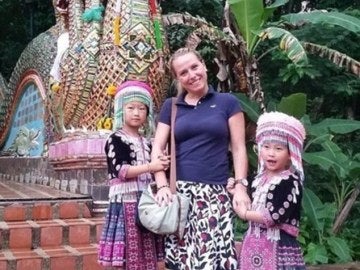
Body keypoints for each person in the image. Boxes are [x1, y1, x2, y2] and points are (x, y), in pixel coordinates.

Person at [151, 47, 250, 270]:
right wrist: (162, 185)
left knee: (214, 261)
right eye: (183, 72)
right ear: (177, 79)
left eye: (194, 67)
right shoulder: (172, 106)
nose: (192, 75)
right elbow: (157, 147)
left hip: (216, 195)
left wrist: (242, 186)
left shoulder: (228, 102)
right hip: (181, 196)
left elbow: (238, 147)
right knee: (183, 261)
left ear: (204, 65)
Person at [98, 80, 170, 269]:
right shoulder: (115, 139)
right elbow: (122, 171)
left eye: (142, 108)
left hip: (147, 201)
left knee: (147, 254)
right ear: (121, 110)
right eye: (131, 107)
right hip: (126, 202)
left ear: (148, 113)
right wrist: (152, 166)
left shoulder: (148, 142)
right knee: (127, 254)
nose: (137, 113)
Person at [227, 111, 307, 270]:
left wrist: (244, 214)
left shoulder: (289, 182)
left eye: (278, 148)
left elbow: (274, 216)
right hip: (253, 247)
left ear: (290, 154)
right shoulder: (257, 180)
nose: (271, 153)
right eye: (266, 146)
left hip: (279, 249)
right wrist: (235, 191)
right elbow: (248, 203)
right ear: (259, 149)